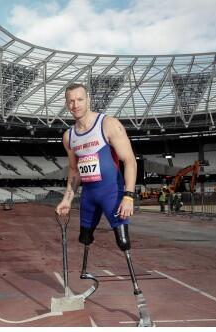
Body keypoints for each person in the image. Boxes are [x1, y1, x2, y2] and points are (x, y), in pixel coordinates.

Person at [55, 83, 153, 326]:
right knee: (85, 238)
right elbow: (74, 171)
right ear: (67, 104)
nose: (75, 105)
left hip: (112, 193)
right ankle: (87, 279)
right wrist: (67, 199)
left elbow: (130, 161)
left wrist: (129, 196)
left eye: (79, 99)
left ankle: (140, 302)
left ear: (88, 99)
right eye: (70, 101)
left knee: (123, 242)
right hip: (89, 196)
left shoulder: (108, 124)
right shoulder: (69, 136)